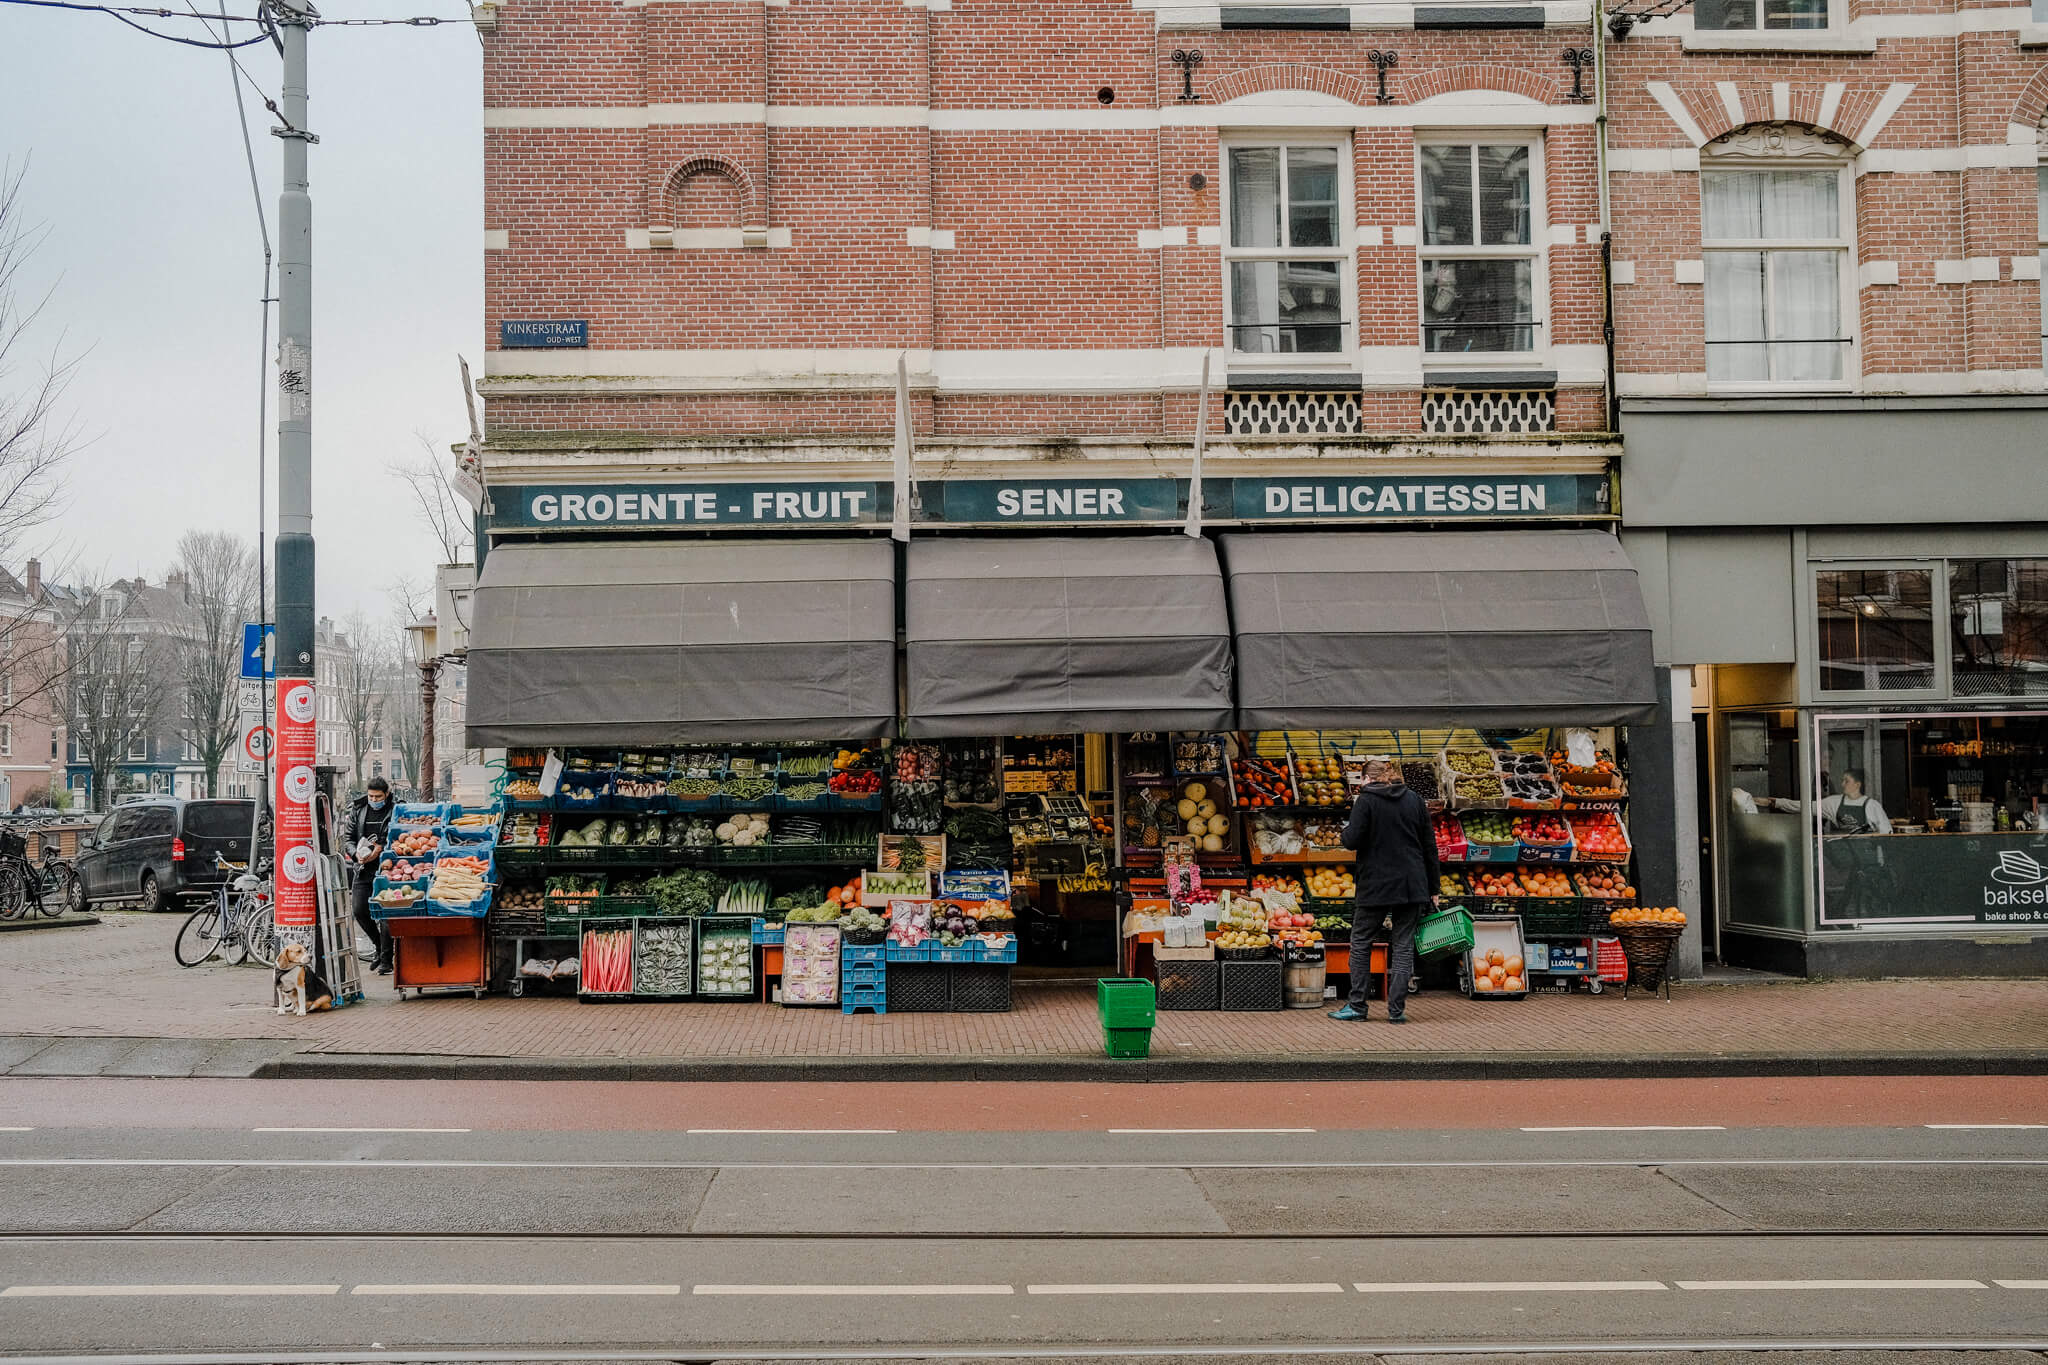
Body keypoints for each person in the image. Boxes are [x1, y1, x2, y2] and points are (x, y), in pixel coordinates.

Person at [1329, 757, 1440, 1024]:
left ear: (1366, 779)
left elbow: (1351, 840)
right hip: (1412, 884)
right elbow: (1429, 846)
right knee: (1403, 946)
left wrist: (1346, 829)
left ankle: (1357, 1006)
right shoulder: (1413, 799)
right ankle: (1397, 1010)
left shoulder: (1365, 801)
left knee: (1361, 943)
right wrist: (1433, 887)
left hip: (1375, 885)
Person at [344, 777, 396, 974]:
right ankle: (378, 946)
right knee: (359, 909)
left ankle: (386, 960)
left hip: (387, 867)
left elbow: (397, 835)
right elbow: (348, 838)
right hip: (363, 867)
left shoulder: (394, 809)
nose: (374, 799)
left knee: (385, 913)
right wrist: (355, 854)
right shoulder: (358, 809)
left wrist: (382, 849)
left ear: (386, 795)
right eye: (371, 796)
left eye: (378, 796)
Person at [1819, 768, 1892, 835]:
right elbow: (1809, 807)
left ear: (1857, 785)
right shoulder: (1834, 802)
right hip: (1840, 847)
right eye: (1842, 781)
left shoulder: (1872, 805)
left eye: (1846, 781)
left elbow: (1886, 833)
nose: (1842, 784)